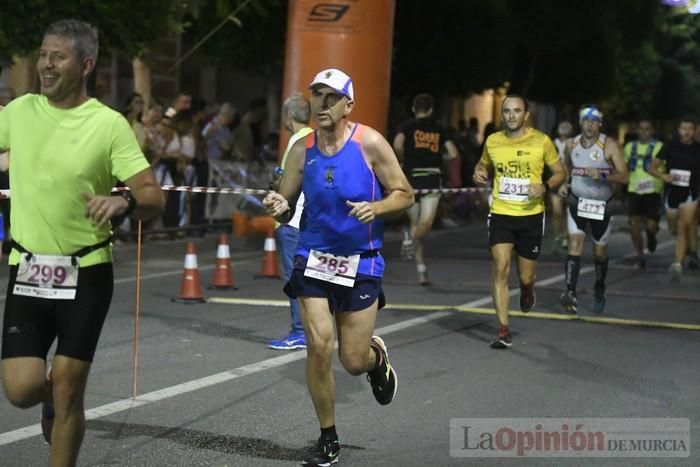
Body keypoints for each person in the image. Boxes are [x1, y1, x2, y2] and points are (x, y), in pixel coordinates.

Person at [0, 19, 164, 467]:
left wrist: (123, 204)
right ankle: (51, 401)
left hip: (85, 271)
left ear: (86, 64)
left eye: (58, 57)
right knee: (20, 390)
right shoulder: (18, 112)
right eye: (42, 55)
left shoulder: (108, 125)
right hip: (28, 270)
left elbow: (154, 195)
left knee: (71, 389)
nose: (45, 65)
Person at [263, 68, 413, 466]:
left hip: (360, 262)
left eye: (331, 97)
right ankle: (328, 437)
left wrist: (377, 207)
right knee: (318, 347)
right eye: (317, 96)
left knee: (350, 360)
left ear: (349, 104)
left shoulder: (370, 143)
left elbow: (405, 194)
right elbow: (286, 205)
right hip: (312, 258)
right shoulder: (302, 148)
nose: (322, 104)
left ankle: (375, 359)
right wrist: (278, 208)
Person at [473, 94, 567, 349]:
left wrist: (546, 185)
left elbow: (561, 172)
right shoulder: (493, 141)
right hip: (502, 213)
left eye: (516, 111)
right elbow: (482, 166)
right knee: (500, 268)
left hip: (531, 216)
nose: (511, 115)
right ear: (502, 115)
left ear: (526, 115)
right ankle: (503, 330)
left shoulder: (541, 141)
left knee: (526, 276)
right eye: (507, 111)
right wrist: (479, 172)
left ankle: (527, 290)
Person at [559, 105, 628, 314]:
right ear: (581, 123)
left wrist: (604, 176)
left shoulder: (609, 146)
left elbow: (625, 176)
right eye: (586, 121)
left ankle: (600, 286)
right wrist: (565, 183)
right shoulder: (571, 144)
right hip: (577, 201)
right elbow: (566, 167)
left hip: (601, 206)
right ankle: (570, 293)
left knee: (599, 253)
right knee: (575, 242)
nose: (590, 125)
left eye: (594, 121)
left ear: (600, 124)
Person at [392, 93, 458, 284]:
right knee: (425, 224)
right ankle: (415, 251)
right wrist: (439, 159)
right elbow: (453, 153)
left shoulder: (406, 126)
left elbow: (397, 145)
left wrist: (404, 159)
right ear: (431, 110)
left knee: (416, 224)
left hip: (411, 177)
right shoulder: (439, 129)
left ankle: (420, 267)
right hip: (431, 177)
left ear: (414, 109)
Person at [267, 93, 313, 350]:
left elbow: (285, 187)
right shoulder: (313, 139)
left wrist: (275, 184)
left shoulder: (296, 141)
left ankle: (299, 331)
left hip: (292, 220)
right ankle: (312, 329)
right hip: (307, 220)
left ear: (289, 116)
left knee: (294, 278)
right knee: (307, 276)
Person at [649, 117, 700, 281]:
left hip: (692, 192)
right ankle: (687, 247)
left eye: (690, 129)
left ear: (695, 130)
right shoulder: (670, 146)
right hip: (672, 192)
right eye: (684, 128)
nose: (687, 132)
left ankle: (677, 264)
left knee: (682, 227)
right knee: (673, 226)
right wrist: (663, 175)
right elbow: (651, 167)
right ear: (679, 130)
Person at [624, 118, 665, 268]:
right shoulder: (629, 147)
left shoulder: (659, 147)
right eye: (641, 128)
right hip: (634, 189)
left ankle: (651, 234)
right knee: (634, 223)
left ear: (652, 131)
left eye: (647, 129)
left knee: (651, 225)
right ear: (637, 130)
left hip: (653, 190)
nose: (643, 132)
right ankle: (639, 256)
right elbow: (624, 167)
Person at [551, 121, 573, 250]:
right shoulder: (552, 144)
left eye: (567, 127)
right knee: (557, 212)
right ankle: (557, 235)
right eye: (562, 127)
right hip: (556, 182)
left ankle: (566, 237)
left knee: (569, 211)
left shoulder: (574, 144)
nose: (564, 130)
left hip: (570, 182)